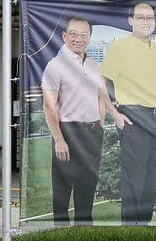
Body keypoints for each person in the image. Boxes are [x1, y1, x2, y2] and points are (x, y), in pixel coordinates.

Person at [41, 15, 129, 224]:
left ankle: (84, 227)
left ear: (89, 38)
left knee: (87, 183)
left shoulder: (93, 64)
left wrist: (105, 119)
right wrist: (59, 139)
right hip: (67, 131)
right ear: (64, 36)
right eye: (73, 34)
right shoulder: (55, 66)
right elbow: (48, 105)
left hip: (92, 132)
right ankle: (60, 229)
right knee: (63, 185)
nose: (78, 39)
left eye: (83, 35)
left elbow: (101, 93)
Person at [100, 1, 156, 224]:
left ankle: (144, 226)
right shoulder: (119, 47)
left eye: (150, 18)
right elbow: (101, 83)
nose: (146, 22)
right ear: (130, 21)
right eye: (141, 17)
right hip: (133, 117)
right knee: (134, 180)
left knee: (152, 179)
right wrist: (114, 113)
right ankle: (130, 229)